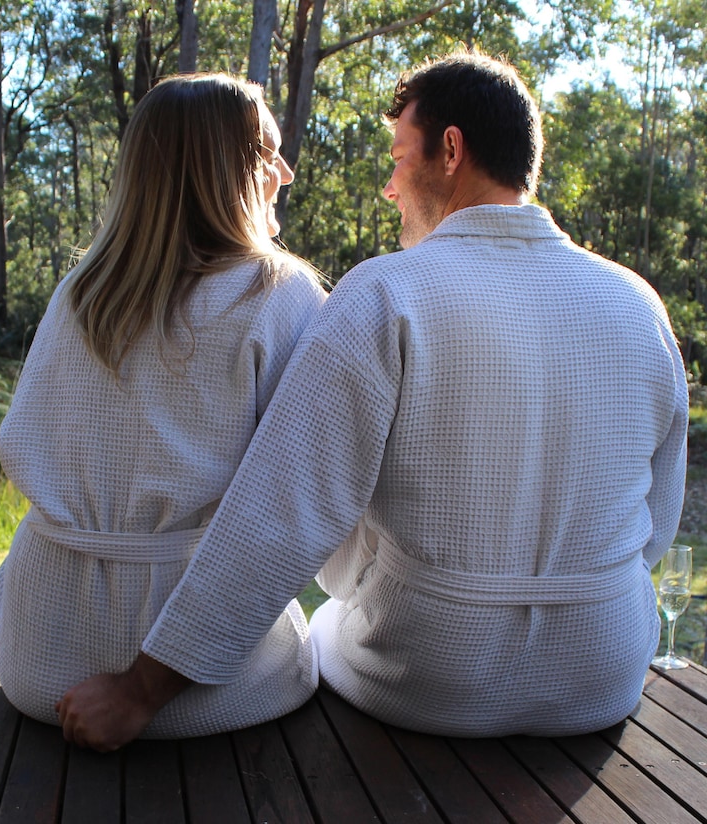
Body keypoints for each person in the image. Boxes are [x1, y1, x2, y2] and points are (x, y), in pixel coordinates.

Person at [56, 50, 689, 751]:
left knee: (321, 631)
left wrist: (142, 690)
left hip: (430, 677)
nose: (389, 188)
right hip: (603, 671)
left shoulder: (387, 292)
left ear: (451, 151)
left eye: (397, 157)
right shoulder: (639, 304)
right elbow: (657, 523)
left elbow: (286, 512)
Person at [0, 73, 327, 737]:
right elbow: (286, 517)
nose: (285, 174)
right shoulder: (277, 294)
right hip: (209, 685)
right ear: (219, 174)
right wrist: (144, 688)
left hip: (41, 655)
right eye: (268, 154)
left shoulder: (80, 294)